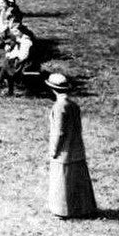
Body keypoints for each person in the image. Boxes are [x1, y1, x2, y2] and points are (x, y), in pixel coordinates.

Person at [45, 73, 97, 219]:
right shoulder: (73, 105)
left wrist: (54, 150)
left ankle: (63, 210)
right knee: (77, 180)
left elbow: (59, 132)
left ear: (52, 89)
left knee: (63, 181)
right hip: (76, 148)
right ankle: (83, 208)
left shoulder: (59, 106)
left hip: (64, 151)